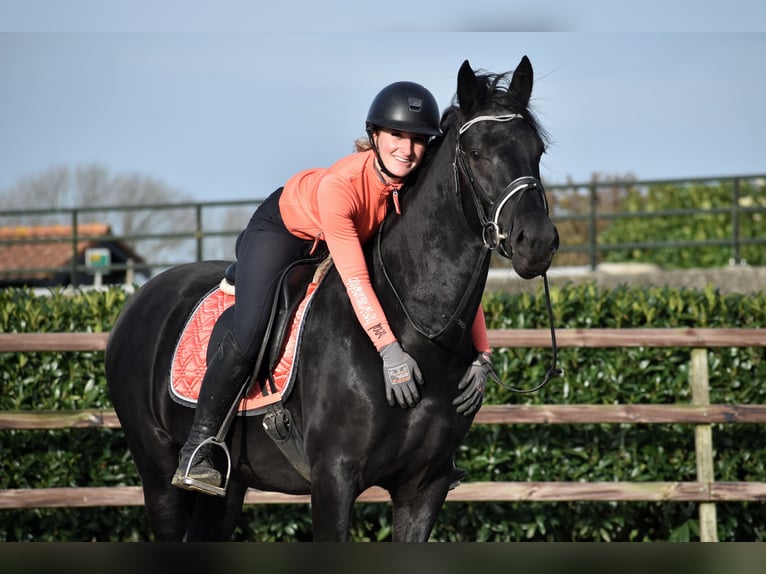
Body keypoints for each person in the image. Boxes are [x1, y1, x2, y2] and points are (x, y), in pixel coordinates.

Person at [172, 80, 497, 494]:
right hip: (287, 229)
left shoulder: (411, 184)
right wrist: (390, 351)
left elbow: (448, 277)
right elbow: (355, 278)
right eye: (397, 135)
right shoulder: (341, 187)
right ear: (375, 136)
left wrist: (483, 352)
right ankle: (200, 445)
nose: (407, 149)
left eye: (418, 140)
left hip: (344, 232)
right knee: (252, 325)